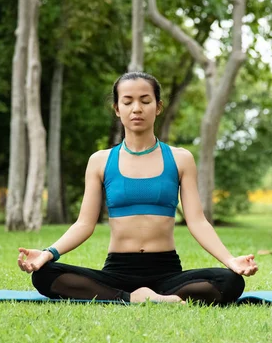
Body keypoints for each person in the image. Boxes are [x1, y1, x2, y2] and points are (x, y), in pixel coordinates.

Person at [17, 72, 258, 304]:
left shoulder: (180, 159)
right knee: (44, 275)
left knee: (229, 281)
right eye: (127, 101)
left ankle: (143, 297)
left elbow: (197, 221)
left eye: (145, 101)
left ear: (158, 107)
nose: (137, 109)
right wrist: (48, 254)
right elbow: (84, 224)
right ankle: (132, 298)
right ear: (117, 109)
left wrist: (231, 261)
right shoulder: (100, 161)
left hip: (167, 273)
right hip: (117, 273)